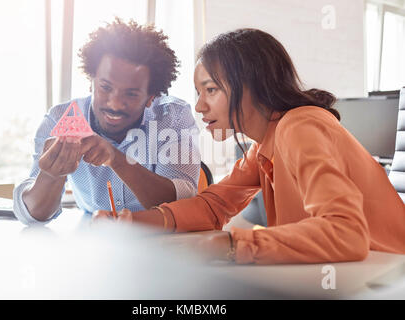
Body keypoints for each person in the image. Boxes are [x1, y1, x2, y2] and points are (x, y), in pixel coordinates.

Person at [95, 28, 405, 264]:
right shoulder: (263, 148)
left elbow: (347, 234)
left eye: (211, 90)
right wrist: (131, 221)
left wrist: (230, 245)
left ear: (252, 87)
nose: (199, 106)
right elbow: (212, 206)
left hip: (386, 277)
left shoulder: (300, 127)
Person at [13, 19, 200, 225]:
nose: (115, 104)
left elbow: (182, 203)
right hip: (94, 238)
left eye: (131, 94)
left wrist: (116, 159)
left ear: (151, 97)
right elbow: (33, 215)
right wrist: (50, 175)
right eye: (105, 87)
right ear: (91, 83)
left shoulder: (173, 118)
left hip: (160, 238)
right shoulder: (60, 119)